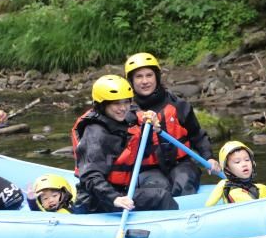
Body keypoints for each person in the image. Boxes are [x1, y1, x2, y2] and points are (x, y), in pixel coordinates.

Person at [72, 74, 178, 213]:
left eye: (126, 102)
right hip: (98, 199)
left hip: (121, 191)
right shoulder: (95, 134)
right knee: (161, 197)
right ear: (102, 104)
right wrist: (114, 198)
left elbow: (139, 123)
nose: (123, 108)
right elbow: (90, 176)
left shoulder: (123, 120)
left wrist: (152, 124)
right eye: (116, 103)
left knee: (161, 187)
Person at [124, 52, 219, 196]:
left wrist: (209, 157)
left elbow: (197, 135)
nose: (145, 81)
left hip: (181, 164)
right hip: (146, 169)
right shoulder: (126, 113)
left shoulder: (178, 105)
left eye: (149, 75)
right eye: (139, 76)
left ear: (157, 77)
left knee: (184, 183)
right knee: (158, 190)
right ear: (131, 81)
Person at [206, 141, 266, 205]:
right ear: (227, 168)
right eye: (237, 162)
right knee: (235, 193)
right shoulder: (224, 185)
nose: (244, 164)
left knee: (262, 188)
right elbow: (208, 206)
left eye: (247, 160)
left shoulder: (258, 187)